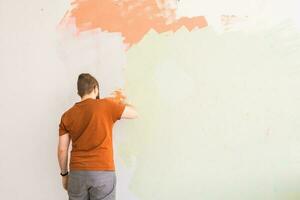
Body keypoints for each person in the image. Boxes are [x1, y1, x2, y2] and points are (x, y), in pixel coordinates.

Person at [57, 73, 138, 200]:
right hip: (103, 172)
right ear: (95, 88)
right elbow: (134, 113)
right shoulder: (107, 105)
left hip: (77, 173)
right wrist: (123, 100)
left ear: (79, 92)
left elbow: (62, 150)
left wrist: (64, 175)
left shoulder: (67, 115)